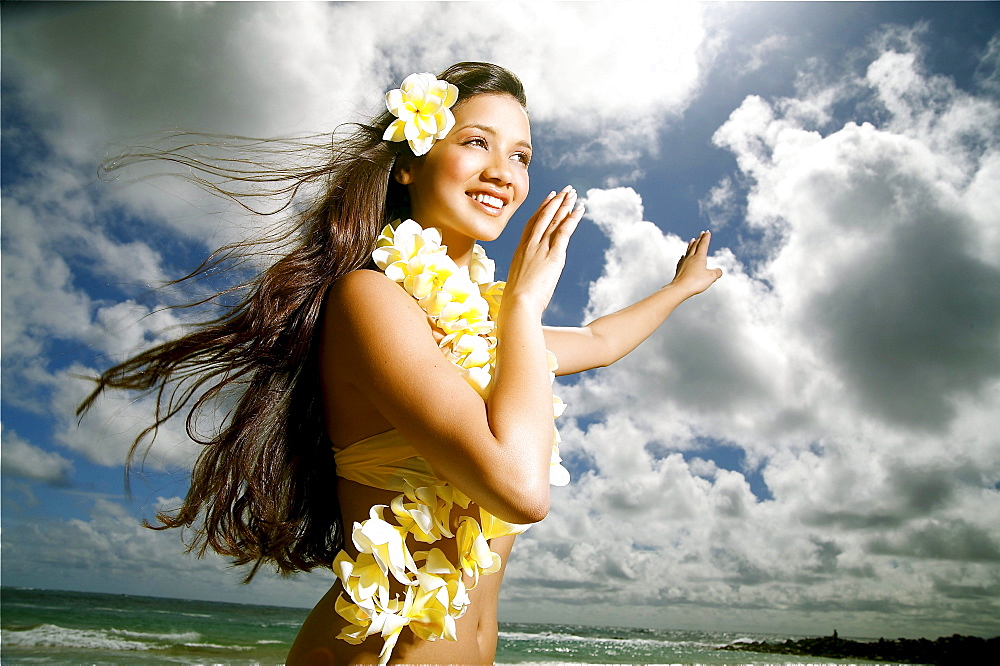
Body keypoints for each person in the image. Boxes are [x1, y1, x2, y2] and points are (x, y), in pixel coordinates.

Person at [79, 62, 722, 665]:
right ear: (410, 164)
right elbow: (521, 491)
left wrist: (679, 289)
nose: (504, 171)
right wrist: (524, 303)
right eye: (477, 141)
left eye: (521, 155)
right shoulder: (370, 299)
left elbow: (599, 339)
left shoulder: (494, 330)